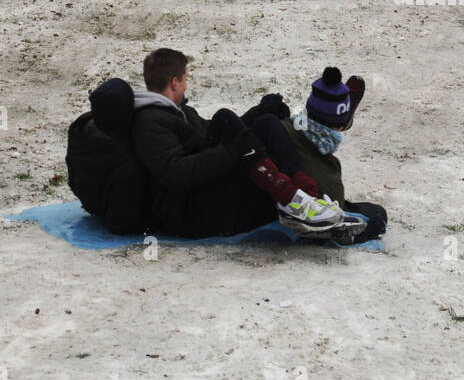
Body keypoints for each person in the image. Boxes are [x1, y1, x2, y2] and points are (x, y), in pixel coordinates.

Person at [129, 48, 345, 239]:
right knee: (224, 116)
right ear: (174, 82)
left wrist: (257, 112)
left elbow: (217, 133)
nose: (186, 85)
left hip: (202, 194)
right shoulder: (150, 122)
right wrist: (233, 151)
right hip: (189, 213)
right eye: (185, 79)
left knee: (267, 123)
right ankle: (290, 199)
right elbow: (176, 173)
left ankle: (307, 197)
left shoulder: (181, 112)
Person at [244, 69, 385, 244]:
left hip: (272, 164)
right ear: (339, 127)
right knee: (376, 215)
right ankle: (340, 115)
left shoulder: (280, 124)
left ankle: (329, 111)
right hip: (294, 201)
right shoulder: (325, 180)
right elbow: (333, 214)